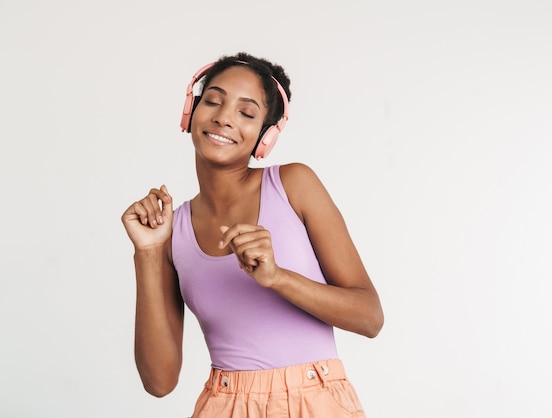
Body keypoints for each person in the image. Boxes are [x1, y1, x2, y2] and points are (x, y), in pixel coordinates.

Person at [121, 51, 384, 418]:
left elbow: (370, 318)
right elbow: (159, 382)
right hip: (222, 406)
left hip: (315, 403)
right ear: (190, 113)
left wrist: (277, 278)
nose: (224, 117)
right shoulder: (171, 231)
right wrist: (148, 252)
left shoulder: (294, 184)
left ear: (266, 136)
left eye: (246, 113)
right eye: (212, 100)